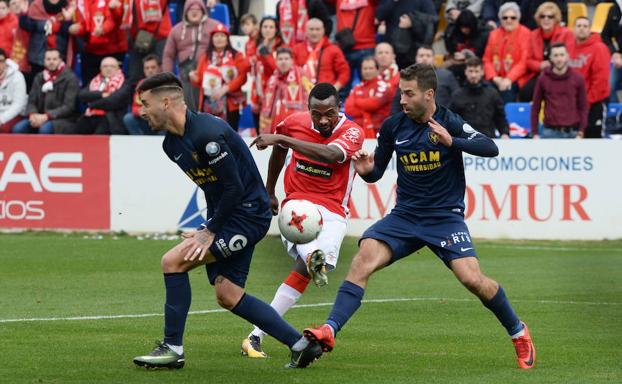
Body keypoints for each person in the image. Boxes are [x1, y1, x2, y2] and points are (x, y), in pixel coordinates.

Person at [301, 63, 536, 371]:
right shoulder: (394, 126)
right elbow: (377, 172)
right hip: (405, 216)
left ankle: (518, 332)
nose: (402, 100)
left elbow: (489, 147)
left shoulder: (450, 122)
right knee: (363, 259)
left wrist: (454, 142)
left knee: (472, 279)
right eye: (401, 93)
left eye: (409, 94)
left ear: (428, 94)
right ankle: (329, 330)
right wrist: (367, 171)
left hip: (444, 218)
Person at [131, 72, 323, 370]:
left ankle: (172, 348)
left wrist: (211, 230)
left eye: (145, 103)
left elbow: (233, 187)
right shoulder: (171, 146)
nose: (141, 111)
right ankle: (301, 345)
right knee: (228, 295)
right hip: (230, 215)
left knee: (172, 262)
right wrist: (210, 223)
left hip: (248, 215)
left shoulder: (207, 133)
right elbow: (213, 188)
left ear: (166, 102)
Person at [241, 82, 364, 358]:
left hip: (333, 211)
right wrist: (270, 190)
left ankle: (254, 336)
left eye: (329, 113)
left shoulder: (352, 131)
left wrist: (282, 140)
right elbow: (279, 151)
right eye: (316, 113)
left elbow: (332, 154)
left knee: (305, 271)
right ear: (307, 109)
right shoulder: (293, 123)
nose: (322, 120)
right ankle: (312, 256)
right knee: (308, 246)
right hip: (296, 202)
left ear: (339, 108)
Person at [190, 23, 250, 131]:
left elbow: (242, 77)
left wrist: (225, 88)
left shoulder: (237, 55)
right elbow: (200, 81)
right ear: (212, 39)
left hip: (230, 103)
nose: (219, 39)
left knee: (230, 133)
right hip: (209, 102)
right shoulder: (205, 57)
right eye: (216, 36)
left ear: (227, 39)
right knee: (209, 132)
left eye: (222, 36)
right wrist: (193, 78)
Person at [162, 0, 218, 111]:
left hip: (210, 75)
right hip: (186, 76)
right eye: (191, 10)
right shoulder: (176, 30)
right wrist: (168, 78)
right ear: (185, 12)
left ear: (203, 11)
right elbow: (168, 56)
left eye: (197, 10)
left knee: (210, 113)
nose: (194, 12)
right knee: (189, 112)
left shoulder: (215, 26)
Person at [12, 48, 79, 134]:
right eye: (48, 59)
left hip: (62, 119)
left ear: (60, 60)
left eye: (54, 59)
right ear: (44, 61)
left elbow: (69, 107)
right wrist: (33, 114)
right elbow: (31, 101)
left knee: (45, 129)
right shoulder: (39, 77)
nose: (51, 62)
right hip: (39, 116)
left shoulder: (70, 78)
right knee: (18, 129)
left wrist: (47, 116)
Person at [531, 42, 587, 139]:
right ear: (550, 58)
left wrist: (581, 131)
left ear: (567, 56)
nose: (559, 59)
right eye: (555, 55)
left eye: (562, 55)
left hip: (573, 132)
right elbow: (536, 106)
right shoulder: (543, 79)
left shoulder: (578, 78)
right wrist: (535, 133)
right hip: (549, 132)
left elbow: (583, 107)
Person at [520, 1, 574, 102]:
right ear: (538, 19)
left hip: (560, 74)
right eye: (542, 16)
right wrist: (540, 65)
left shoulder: (567, 34)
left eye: (550, 17)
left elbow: (569, 57)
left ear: (556, 19)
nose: (546, 19)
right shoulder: (533, 35)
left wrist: (552, 64)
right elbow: (527, 60)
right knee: (525, 92)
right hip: (539, 73)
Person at [569, 16, 610, 139]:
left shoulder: (599, 48)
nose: (581, 29)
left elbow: (600, 81)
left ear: (590, 29)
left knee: (592, 138)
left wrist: (586, 101)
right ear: (573, 29)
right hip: (573, 102)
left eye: (585, 26)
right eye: (579, 26)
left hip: (594, 103)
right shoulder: (568, 47)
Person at [68, 0, 127, 85]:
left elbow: (116, 18)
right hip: (91, 51)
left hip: (113, 50)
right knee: (90, 84)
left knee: (113, 83)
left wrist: (104, 29)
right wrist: (78, 28)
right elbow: (84, 23)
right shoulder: (83, 2)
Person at [482, 2, 531, 103]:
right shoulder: (493, 34)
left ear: (518, 18)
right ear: (500, 19)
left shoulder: (526, 33)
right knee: (484, 89)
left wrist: (508, 79)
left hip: (516, 78)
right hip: (496, 77)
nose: (509, 20)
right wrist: (495, 77)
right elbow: (486, 60)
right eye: (505, 18)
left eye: (513, 18)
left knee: (507, 91)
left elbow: (524, 62)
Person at [450, 57, 509, 138]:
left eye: (476, 71)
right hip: (464, 141)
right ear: (465, 72)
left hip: (488, 140)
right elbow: (451, 120)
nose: (473, 75)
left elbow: (500, 117)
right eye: (470, 71)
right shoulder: (457, 95)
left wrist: (504, 133)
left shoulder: (492, 93)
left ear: (482, 72)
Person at [390, 45, 458, 113]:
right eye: (421, 56)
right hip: (413, 119)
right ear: (416, 58)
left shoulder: (446, 75)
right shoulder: (407, 77)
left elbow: (456, 98)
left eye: (428, 56)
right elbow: (397, 103)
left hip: (441, 119)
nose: (424, 58)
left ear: (434, 58)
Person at [292, 18, 350, 94]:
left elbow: (344, 71)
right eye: (311, 29)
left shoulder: (333, 49)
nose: (314, 33)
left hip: (325, 94)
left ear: (323, 31)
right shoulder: (296, 49)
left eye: (317, 29)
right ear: (305, 31)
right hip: (301, 93)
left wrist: (335, 88)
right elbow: (291, 71)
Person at [72, 57, 127, 134]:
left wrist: (92, 104)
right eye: (105, 66)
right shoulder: (95, 81)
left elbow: (113, 101)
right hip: (91, 115)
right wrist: (101, 94)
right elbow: (82, 95)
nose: (108, 69)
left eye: (112, 66)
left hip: (110, 118)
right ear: (100, 68)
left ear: (118, 68)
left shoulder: (124, 82)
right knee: (75, 132)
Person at [259, 47, 307, 133]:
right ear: (276, 61)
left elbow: (308, 100)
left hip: (296, 125)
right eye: (280, 59)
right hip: (275, 125)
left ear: (292, 60)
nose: (283, 62)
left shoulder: (302, 76)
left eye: (286, 59)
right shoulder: (272, 79)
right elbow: (264, 107)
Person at [344, 56, 392, 138]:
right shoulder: (357, 88)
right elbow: (348, 109)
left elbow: (374, 104)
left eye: (370, 68)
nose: (367, 71)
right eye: (365, 68)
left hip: (380, 130)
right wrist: (368, 110)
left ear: (377, 70)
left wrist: (357, 101)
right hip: (358, 132)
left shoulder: (384, 87)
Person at [250, 16, 283, 132]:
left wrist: (266, 55)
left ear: (276, 30)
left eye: (271, 27)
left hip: (274, 95)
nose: (268, 30)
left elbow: (278, 69)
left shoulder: (281, 48)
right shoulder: (254, 45)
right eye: (265, 26)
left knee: (272, 131)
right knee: (259, 132)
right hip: (257, 92)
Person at [443, 9, 490, 85]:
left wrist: (466, 57)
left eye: (467, 27)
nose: (465, 30)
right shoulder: (454, 33)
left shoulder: (483, 35)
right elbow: (451, 51)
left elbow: (484, 56)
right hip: (458, 64)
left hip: (476, 65)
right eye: (462, 27)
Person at [124, 54, 163, 135]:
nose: (150, 70)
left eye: (153, 67)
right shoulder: (141, 84)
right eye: (147, 68)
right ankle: (140, 144)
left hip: (161, 120)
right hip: (146, 119)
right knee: (128, 118)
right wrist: (139, 112)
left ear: (160, 68)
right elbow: (135, 106)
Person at [598, 2, 622, 102]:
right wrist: (615, 53)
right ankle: (615, 115)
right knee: (608, 85)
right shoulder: (615, 8)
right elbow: (604, 35)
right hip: (619, 56)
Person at [0, 48, 27, 133]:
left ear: (6, 62)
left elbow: (18, 104)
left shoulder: (17, 76)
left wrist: (1, 119)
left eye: (1, 61)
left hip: (14, 115)